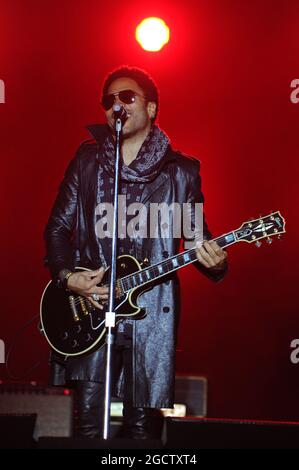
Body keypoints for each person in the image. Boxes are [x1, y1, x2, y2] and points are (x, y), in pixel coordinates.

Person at [44, 66, 228, 440]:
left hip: (152, 315)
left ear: (152, 108)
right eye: (109, 100)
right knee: (88, 427)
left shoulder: (183, 173)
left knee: (143, 432)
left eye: (126, 97)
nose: (116, 105)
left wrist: (217, 260)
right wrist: (67, 276)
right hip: (91, 310)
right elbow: (57, 229)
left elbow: (196, 240)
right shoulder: (86, 163)